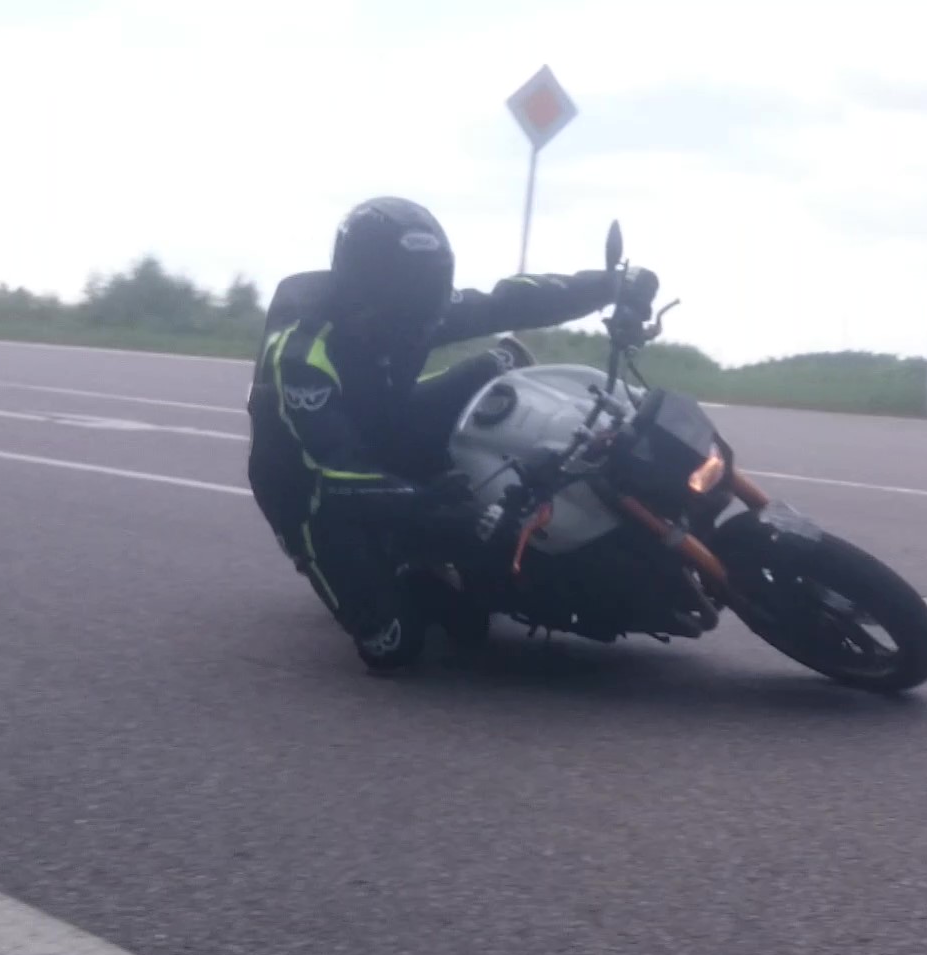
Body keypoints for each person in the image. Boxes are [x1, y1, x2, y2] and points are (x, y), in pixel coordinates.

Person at [245, 195, 658, 672]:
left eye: (435, 296)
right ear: (365, 294)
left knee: (503, 363)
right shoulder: (301, 356)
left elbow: (509, 301)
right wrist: (430, 505)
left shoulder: (423, 305)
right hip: (309, 490)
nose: (424, 322)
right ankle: (414, 570)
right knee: (392, 644)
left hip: (384, 423)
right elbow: (336, 471)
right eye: (412, 308)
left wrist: (611, 285)